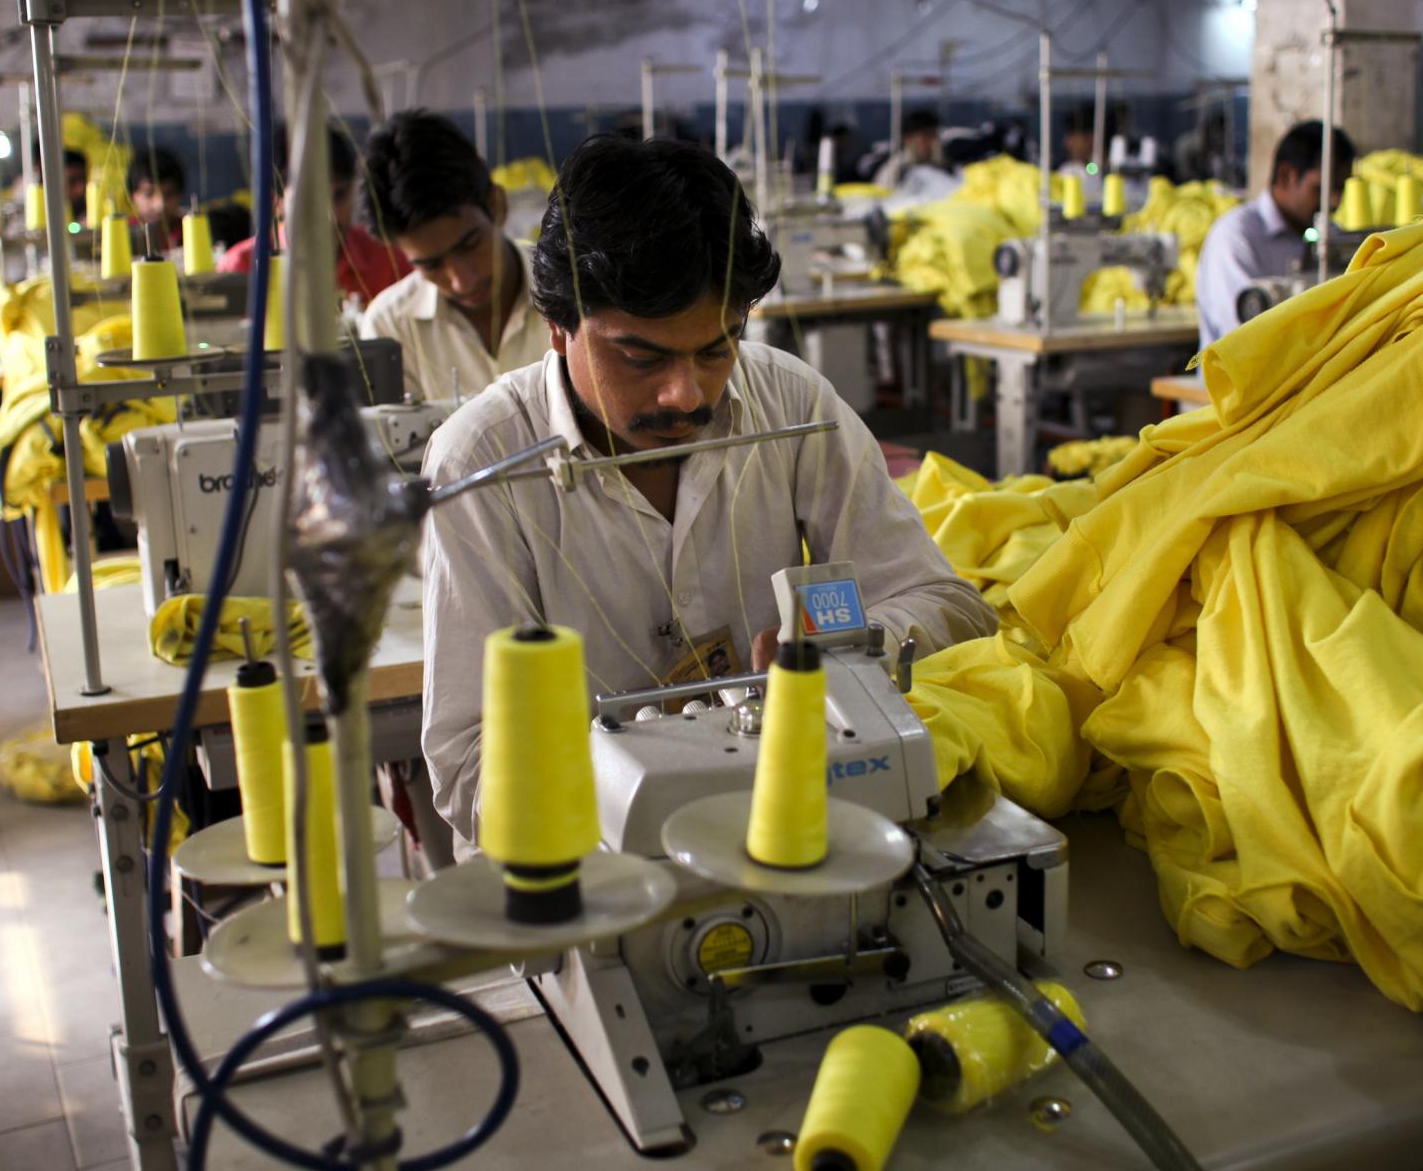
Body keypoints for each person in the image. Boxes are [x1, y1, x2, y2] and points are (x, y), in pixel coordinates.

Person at [418, 135, 996, 850]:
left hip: (780, 824)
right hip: (590, 861)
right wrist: (645, 777)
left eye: (717, 348)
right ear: (558, 326)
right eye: (641, 356)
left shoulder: (789, 402)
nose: (686, 394)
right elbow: (469, 765)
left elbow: (950, 606)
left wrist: (841, 653)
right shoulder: (482, 464)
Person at [358, 109, 552, 401]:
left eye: (470, 245)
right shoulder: (391, 329)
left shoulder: (575, 293)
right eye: (431, 265)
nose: (462, 281)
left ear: (497, 205)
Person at [1195, 120, 1354, 351]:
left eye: (1341, 189)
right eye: (1321, 189)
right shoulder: (1235, 237)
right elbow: (1244, 337)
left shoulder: (1329, 236)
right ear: (1286, 176)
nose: (1335, 201)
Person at [218, 123, 409, 306]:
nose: (329, 216)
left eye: (339, 195)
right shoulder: (241, 268)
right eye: (310, 200)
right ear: (276, 203)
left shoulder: (389, 260)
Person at [126, 146, 186, 248]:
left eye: (169, 193)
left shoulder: (193, 232)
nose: (160, 205)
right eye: (149, 194)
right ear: (132, 196)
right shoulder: (122, 236)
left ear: (180, 194)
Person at [871, 109, 946, 188]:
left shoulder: (945, 169)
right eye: (926, 136)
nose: (933, 142)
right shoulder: (894, 171)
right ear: (907, 139)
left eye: (935, 135)